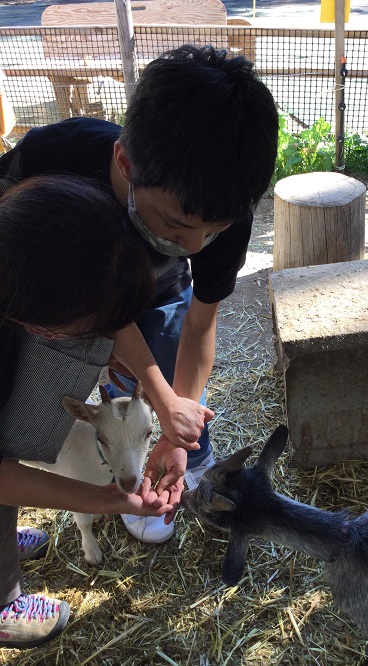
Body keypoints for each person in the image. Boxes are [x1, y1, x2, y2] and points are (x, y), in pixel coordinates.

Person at [0, 45, 279, 544]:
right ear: (125, 164)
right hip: (48, 283)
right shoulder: (49, 168)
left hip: (85, 288)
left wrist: (173, 421)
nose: (193, 246)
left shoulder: (217, 204)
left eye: (211, 232)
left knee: (161, 343)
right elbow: (91, 310)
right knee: (18, 421)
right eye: (175, 225)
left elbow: (197, 320)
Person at [0, 175, 184, 649]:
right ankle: (1, 602)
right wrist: (109, 501)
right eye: (86, 329)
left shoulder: (27, 241)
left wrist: (159, 397)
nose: (97, 340)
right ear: (42, 317)